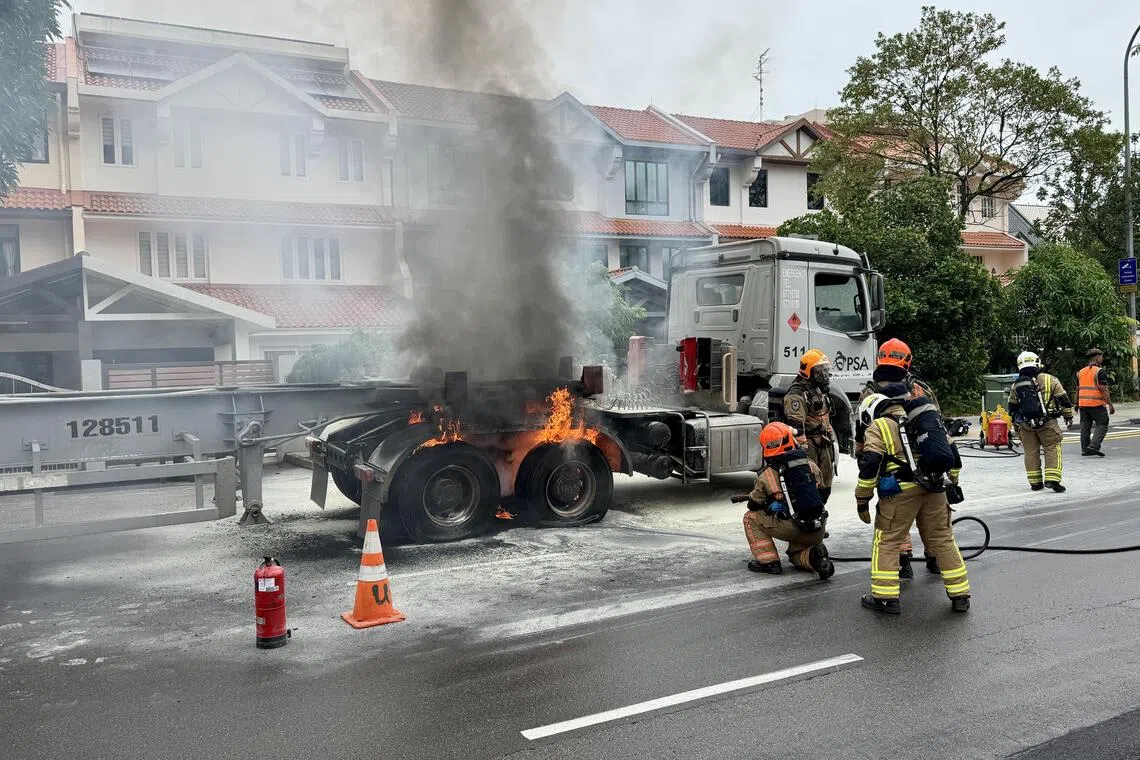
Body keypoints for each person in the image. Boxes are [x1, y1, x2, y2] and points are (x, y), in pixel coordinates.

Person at [855, 391, 970, 614]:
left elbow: (870, 464)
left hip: (901, 492)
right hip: (935, 489)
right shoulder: (922, 422)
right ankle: (960, 595)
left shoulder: (879, 426)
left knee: (887, 541)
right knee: (943, 540)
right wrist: (952, 483)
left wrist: (863, 497)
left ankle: (886, 598)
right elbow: (954, 458)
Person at [856, 337, 939, 578]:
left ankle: (903, 562)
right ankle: (935, 558)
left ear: (880, 359)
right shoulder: (919, 388)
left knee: (893, 513)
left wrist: (861, 455)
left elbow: (862, 428)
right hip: (925, 460)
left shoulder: (870, 392)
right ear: (907, 361)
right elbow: (936, 424)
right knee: (930, 513)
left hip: (889, 461)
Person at [741, 422, 835, 581]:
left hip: (791, 527)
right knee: (795, 554)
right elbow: (823, 493)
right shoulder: (810, 466)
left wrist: (771, 505)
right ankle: (816, 558)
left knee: (750, 518)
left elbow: (753, 504)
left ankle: (769, 562)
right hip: (817, 527)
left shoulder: (767, 475)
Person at [1008, 351, 1074, 492]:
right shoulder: (1050, 379)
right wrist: (1068, 416)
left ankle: (1035, 482)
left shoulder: (1016, 384)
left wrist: (1016, 426)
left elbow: (1012, 408)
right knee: (1052, 448)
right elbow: (1064, 400)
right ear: (1037, 362)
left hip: (1026, 425)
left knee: (1031, 452)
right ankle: (1052, 480)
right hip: (1048, 422)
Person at [783, 349, 835, 503]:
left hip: (823, 444)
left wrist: (830, 435)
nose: (824, 375)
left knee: (825, 485)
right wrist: (803, 452)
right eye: (820, 371)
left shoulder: (818, 390)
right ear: (808, 372)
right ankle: (810, 517)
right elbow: (796, 424)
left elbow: (824, 416)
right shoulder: (797, 394)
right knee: (811, 484)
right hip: (809, 445)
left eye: (826, 371)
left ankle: (821, 511)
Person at [1077, 348, 1114, 457]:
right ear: (1098, 358)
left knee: (1085, 427)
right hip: (1096, 405)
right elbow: (1104, 389)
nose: (1102, 359)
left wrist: (1076, 403)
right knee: (1102, 424)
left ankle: (1085, 449)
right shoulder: (1099, 371)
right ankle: (1093, 446)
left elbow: (1077, 389)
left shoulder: (1080, 372)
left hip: (1083, 404)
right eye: (1101, 357)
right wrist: (1110, 405)